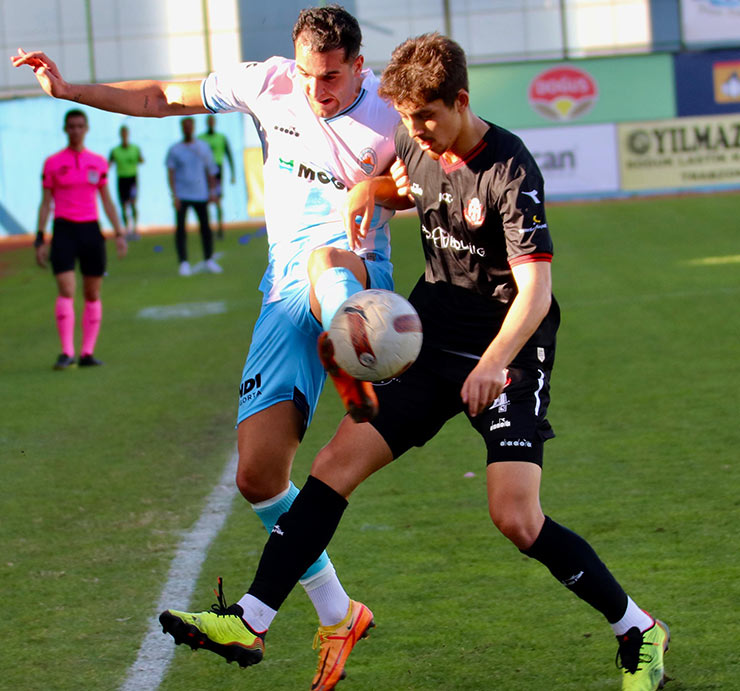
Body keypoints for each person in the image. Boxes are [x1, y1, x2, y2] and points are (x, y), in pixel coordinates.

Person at [156, 34, 671, 691]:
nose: (416, 132)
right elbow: (400, 185)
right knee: (332, 466)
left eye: (427, 117)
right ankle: (250, 619)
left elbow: (536, 292)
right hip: (426, 342)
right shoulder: (414, 138)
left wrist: (492, 364)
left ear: (461, 101)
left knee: (516, 517)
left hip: (508, 350)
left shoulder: (509, 169)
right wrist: (368, 189)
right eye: (406, 118)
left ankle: (638, 629)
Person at [12, 6, 401, 688]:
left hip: (358, 279)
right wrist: (70, 89)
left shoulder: (389, 112)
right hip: (284, 293)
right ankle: (339, 612)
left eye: (332, 78)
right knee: (259, 475)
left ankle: (352, 359)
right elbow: (162, 97)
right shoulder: (269, 83)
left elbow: (437, 179)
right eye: (308, 75)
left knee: (326, 264)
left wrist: (381, 186)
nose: (317, 90)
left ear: (358, 66)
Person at [35, 108, 127, 370]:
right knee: (66, 289)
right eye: (71, 126)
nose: (75, 130)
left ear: (86, 129)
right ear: (65, 129)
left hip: (90, 231)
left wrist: (119, 233)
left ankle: (87, 353)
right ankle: (67, 352)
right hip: (64, 230)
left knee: (92, 292)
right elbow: (45, 203)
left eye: (79, 126)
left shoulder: (98, 162)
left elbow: (106, 200)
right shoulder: (52, 163)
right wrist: (40, 237)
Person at [166, 116, 221, 276]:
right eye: (185, 126)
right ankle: (183, 262)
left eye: (190, 126)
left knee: (205, 228)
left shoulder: (203, 147)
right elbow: (171, 173)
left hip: (200, 194)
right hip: (182, 195)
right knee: (181, 229)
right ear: (182, 128)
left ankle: (209, 259)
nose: (188, 129)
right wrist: (174, 196)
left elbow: (211, 170)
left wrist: (212, 191)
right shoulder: (175, 150)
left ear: (194, 127)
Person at [198, 113, 235, 238]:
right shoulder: (201, 138)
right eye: (209, 121)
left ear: (214, 123)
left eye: (212, 121)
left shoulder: (221, 138)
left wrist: (233, 174)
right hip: (204, 171)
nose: (211, 124)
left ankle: (220, 228)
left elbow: (229, 155)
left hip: (217, 170)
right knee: (206, 200)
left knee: (217, 199)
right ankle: (207, 228)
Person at [108, 124, 144, 240]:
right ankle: (127, 229)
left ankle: (135, 228)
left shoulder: (135, 148)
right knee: (123, 205)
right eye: (122, 134)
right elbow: (109, 164)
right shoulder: (115, 151)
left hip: (132, 179)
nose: (124, 136)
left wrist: (135, 160)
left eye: (125, 133)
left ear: (128, 135)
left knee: (133, 203)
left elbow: (141, 160)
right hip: (121, 179)